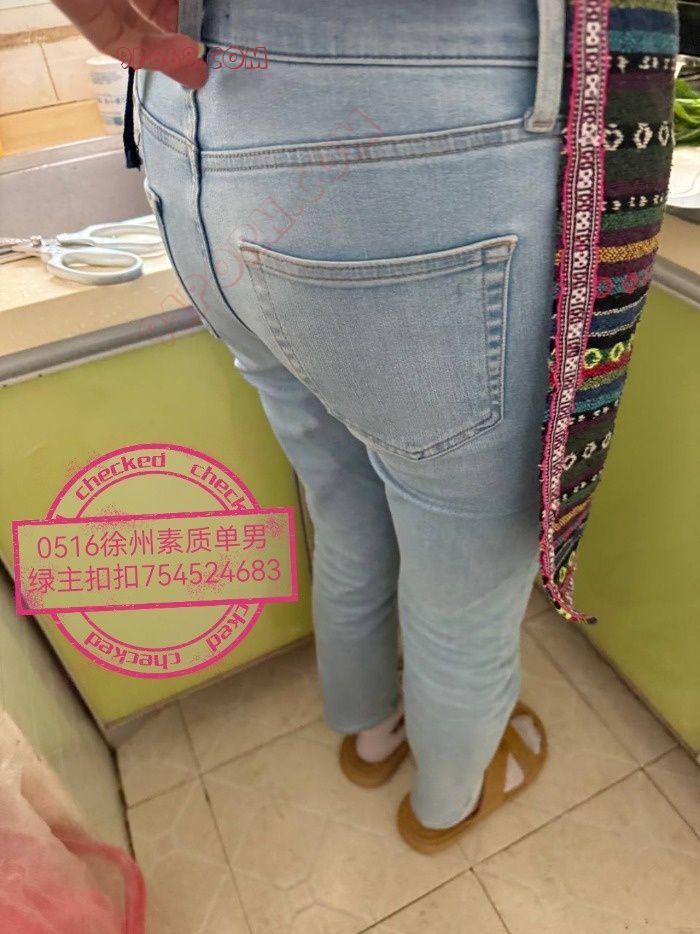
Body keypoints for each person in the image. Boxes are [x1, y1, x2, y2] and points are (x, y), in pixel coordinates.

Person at [52, 0, 570, 853]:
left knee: (342, 500)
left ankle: (370, 734)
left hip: (190, 122)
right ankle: (447, 801)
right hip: (429, 104)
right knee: (464, 573)